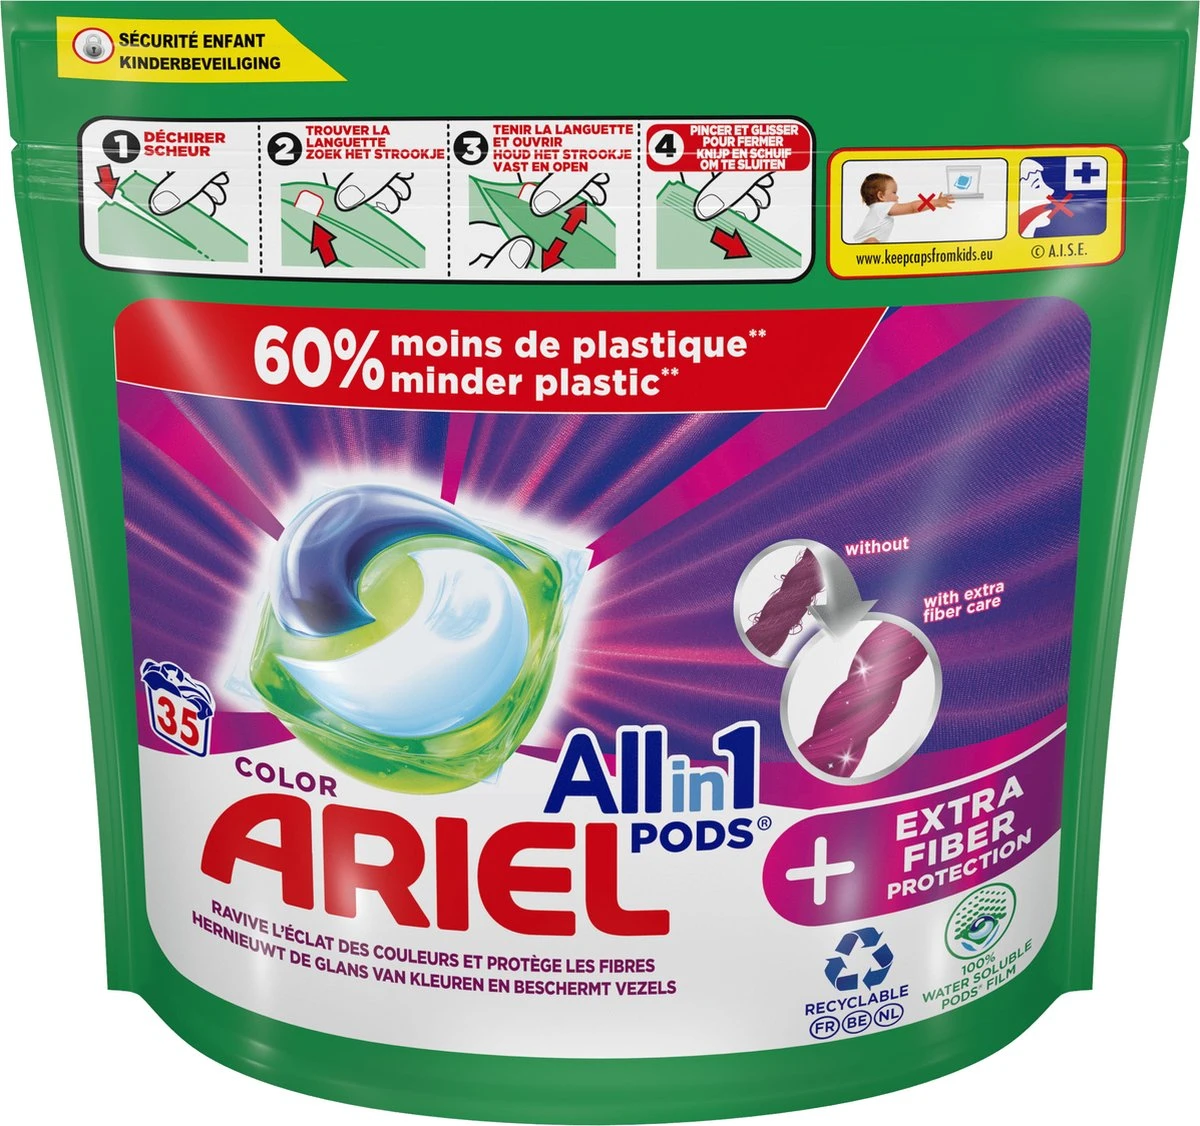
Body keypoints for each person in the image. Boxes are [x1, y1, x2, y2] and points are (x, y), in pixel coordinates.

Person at [853, 173, 954, 243]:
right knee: (872, 241)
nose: (897, 197)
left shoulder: (877, 209)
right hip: (863, 245)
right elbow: (912, 207)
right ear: (881, 196)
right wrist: (936, 202)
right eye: (894, 192)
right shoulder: (882, 207)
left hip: (858, 245)